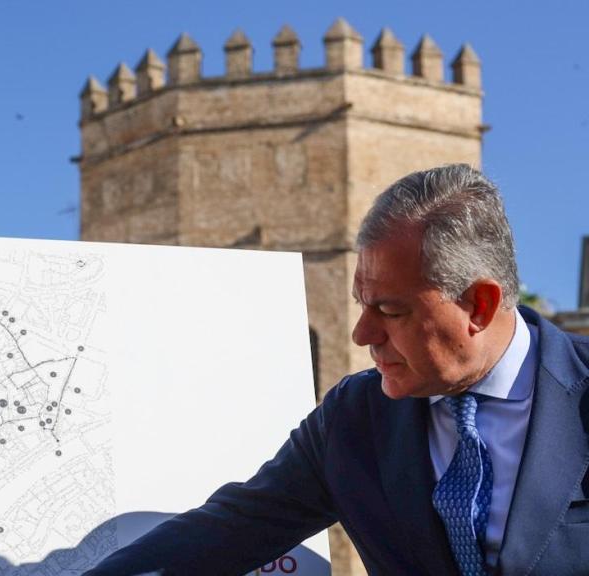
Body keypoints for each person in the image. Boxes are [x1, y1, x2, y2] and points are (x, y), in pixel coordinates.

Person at [84, 164, 589, 575]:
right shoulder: (353, 418)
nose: (362, 335)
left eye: (391, 311)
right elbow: (231, 528)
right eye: (360, 305)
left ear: (479, 305)